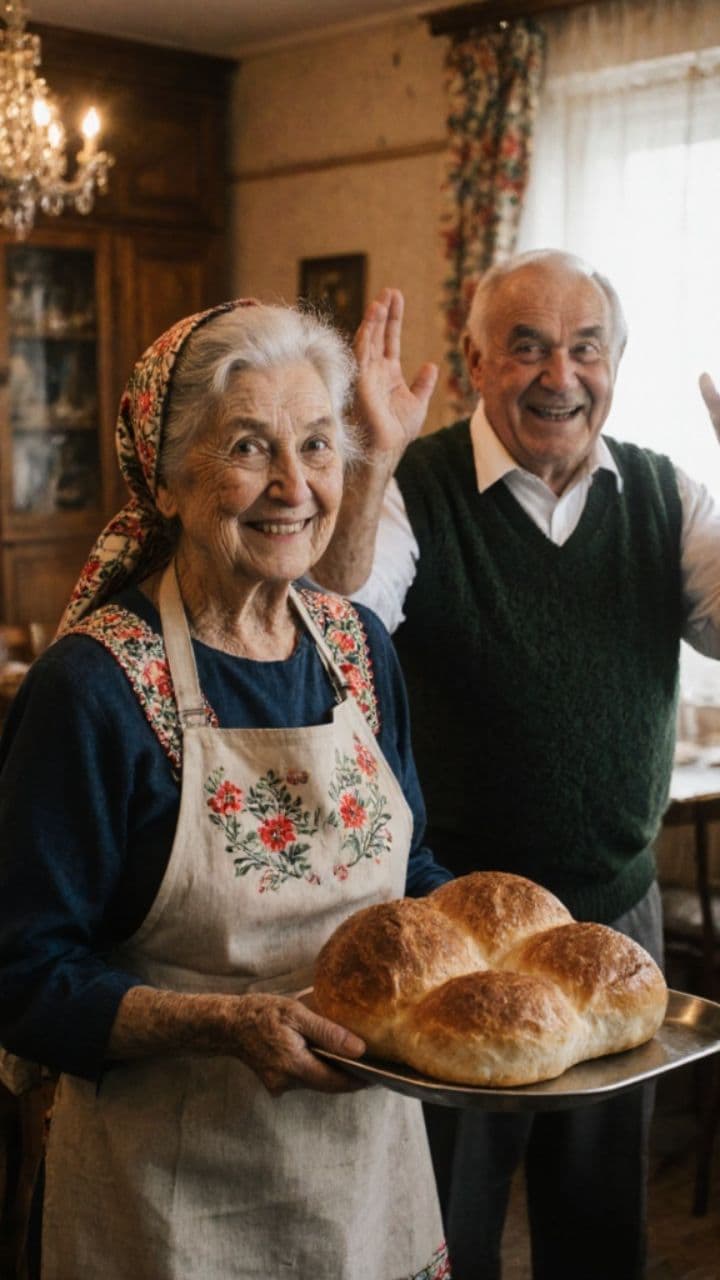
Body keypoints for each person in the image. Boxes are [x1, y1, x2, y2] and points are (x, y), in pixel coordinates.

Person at [0, 299, 454, 1280]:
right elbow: (22, 973)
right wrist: (220, 1021)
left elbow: (409, 866)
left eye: (320, 444)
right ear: (165, 480)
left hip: (367, 1188)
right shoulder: (93, 687)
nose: (295, 485)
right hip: (170, 1206)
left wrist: (502, 943)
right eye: (251, 446)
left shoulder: (359, 649)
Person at [312, 249, 720, 1280]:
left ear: (616, 364)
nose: (559, 375)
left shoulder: (671, 494)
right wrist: (366, 460)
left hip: (614, 927)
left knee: (599, 1230)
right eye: (528, 346)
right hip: (451, 929)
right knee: (446, 1231)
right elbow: (335, 627)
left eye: (586, 348)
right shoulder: (416, 488)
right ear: (477, 359)